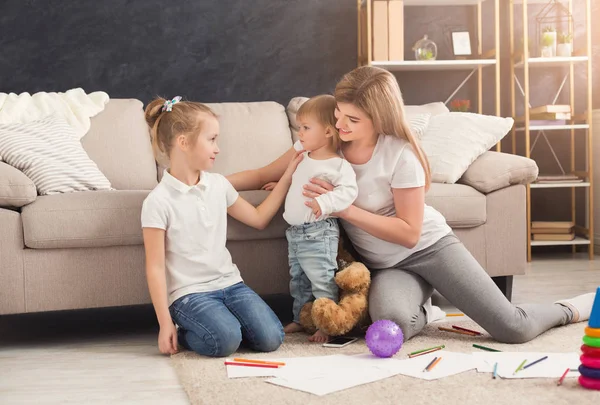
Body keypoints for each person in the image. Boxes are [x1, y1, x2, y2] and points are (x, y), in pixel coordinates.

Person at [227, 66, 596, 344]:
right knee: (390, 325)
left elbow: (409, 233)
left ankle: (574, 307)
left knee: (512, 328)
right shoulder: (327, 142)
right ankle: (428, 307)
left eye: (352, 119)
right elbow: (262, 174)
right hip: (386, 265)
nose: (339, 123)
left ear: (379, 119)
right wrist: (208, 182)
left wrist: (344, 209)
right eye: (339, 113)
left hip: (430, 248)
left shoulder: (400, 156)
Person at [141, 96, 302, 357]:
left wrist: (288, 177)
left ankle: (224, 323)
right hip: (189, 294)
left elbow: (259, 219)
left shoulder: (218, 185)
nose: (218, 148)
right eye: (212, 139)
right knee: (224, 341)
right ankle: (187, 329)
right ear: (183, 142)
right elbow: (155, 267)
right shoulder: (158, 202)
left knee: (272, 338)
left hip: (231, 284)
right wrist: (164, 323)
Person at [273, 94, 358, 343]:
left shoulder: (338, 165)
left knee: (322, 279)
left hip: (319, 231)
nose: (300, 133)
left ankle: (326, 325)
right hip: (296, 232)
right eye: (299, 127)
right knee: (298, 281)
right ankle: (302, 318)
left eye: (306, 128)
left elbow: (349, 192)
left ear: (329, 131)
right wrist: (278, 184)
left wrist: (324, 202)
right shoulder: (303, 156)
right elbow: (296, 181)